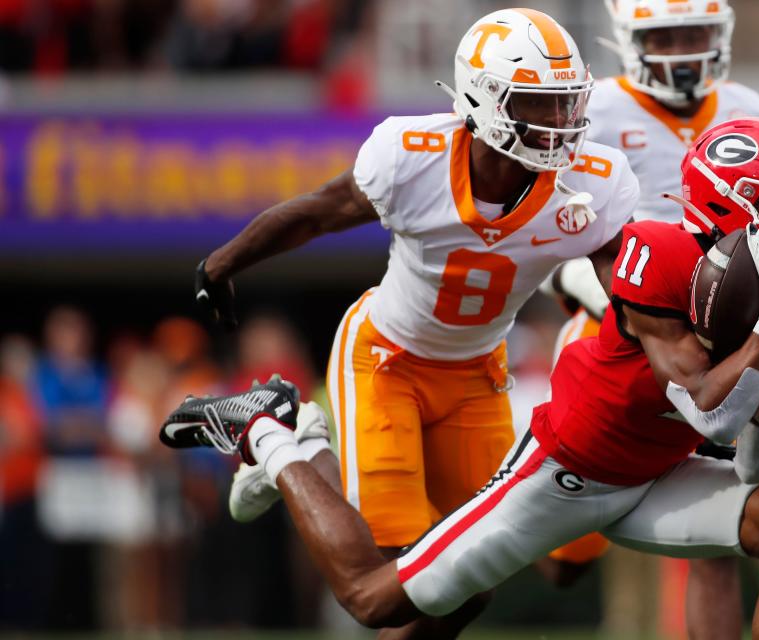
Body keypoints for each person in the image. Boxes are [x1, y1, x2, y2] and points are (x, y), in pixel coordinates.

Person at [161, 117, 759, 640]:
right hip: (567, 473)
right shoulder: (658, 252)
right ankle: (276, 434)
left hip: (659, 477)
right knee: (372, 599)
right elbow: (706, 408)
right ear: (731, 209)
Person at [191, 8, 639, 638]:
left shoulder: (591, 184)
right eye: (541, 106)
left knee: (468, 581)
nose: (561, 126)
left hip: (479, 372)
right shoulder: (412, 155)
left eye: (567, 105)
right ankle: (280, 438)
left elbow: (634, 289)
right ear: (487, 102)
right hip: (385, 360)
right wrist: (223, 262)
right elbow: (318, 213)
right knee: (393, 573)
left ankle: (302, 438)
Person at [539, 2, 759, 634]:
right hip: (625, 325)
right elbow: (558, 246)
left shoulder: (748, 104)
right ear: (629, 37)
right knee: (570, 552)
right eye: (665, 34)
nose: (682, 48)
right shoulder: (594, 107)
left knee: (725, 524)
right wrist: (636, 310)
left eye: (694, 32)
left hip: (730, 332)